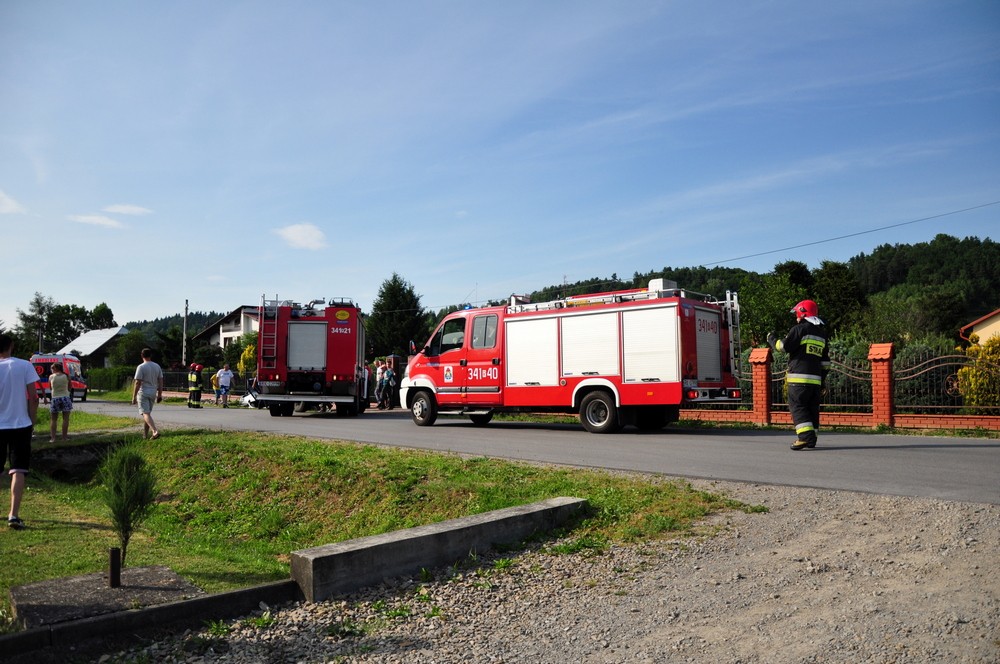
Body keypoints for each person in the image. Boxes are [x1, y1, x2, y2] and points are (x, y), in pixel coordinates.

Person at [767, 299, 831, 451]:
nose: (796, 316)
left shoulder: (799, 329)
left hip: (799, 380)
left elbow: (783, 347)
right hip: (815, 382)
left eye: (797, 313)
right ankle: (812, 438)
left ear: (802, 313)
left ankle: (804, 438)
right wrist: (822, 381)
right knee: (811, 409)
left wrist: (772, 339)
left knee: (798, 407)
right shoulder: (821, 334)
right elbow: (826, 362)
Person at [1, 334, 39, 530]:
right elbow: (33, 398)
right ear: (12, 346)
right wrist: (31, 421)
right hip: (20, 425)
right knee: (18, 469)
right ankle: (13, 515)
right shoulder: (24, 365)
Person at [131, 348, 163, 440]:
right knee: (147, 414)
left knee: (145, 413)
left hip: (143, 392)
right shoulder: (157, 366)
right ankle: (145, 435)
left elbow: (137, 382)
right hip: (153, 392)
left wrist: (134, 396)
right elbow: (160, 381)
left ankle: (155, 431)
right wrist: (160, 394)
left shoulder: (141, 367)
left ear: (142, 355)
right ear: (150, 355)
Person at [48, 361, 72, 442]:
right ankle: (64, 438)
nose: (51, 370)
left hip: (55, 398)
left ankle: (53, 438)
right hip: (65, 397)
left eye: (52, 368)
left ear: (56, 368)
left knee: (53, 419)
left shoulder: (51, 377)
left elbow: (51, 388)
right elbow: (70, 386)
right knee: (65, 419)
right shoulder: (66, 376)